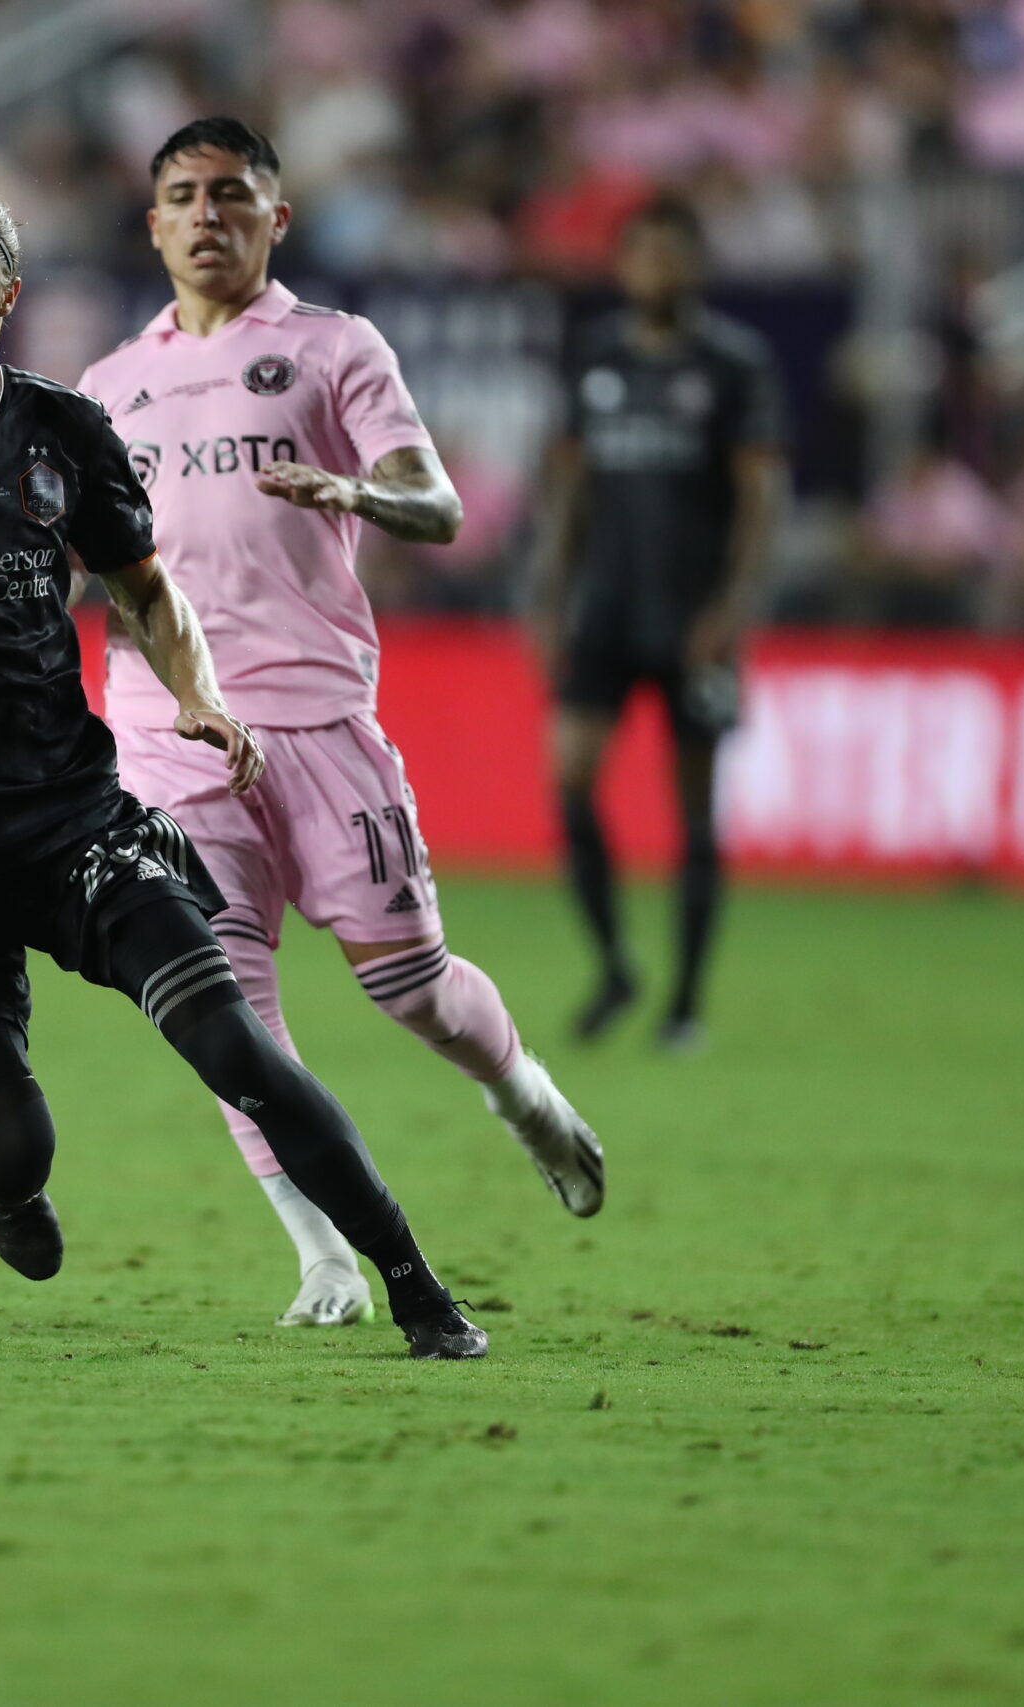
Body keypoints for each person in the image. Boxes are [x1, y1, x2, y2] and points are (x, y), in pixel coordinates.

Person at [0, 180, 489, 1359]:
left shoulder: (65, 434)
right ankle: (8, 1185)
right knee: (6, 1141)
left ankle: (418, 1288)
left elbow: (146, 590)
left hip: (70, 816)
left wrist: (198, 697)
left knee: (234, 1043)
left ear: (6, 298)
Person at [77, 118, 604, 1332]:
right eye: (182, 197)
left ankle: (519, 1091)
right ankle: (323, 1255)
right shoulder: (107, 387)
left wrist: (354, 491)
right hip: (167, 731)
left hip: (318, 718)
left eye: (231, 194)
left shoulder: (330, 350)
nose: (207, 215)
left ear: (278, 217)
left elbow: (437, 502)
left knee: (410, 988)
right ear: (151, 223)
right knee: (221, 1004)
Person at [529, 194, 787, 1053]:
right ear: (624, 265)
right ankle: (614, 964)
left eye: (675, 255)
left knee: (695, 812)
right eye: (644, 255)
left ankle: (684, 1002)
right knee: (570, 775)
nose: (659, 270)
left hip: (693, 620)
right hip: (605, 608)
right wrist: (551, 593)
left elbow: (759, 501)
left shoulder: (732, 367)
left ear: (698, 267)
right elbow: (571, 489)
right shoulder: (596, 361)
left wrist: (731, 609)